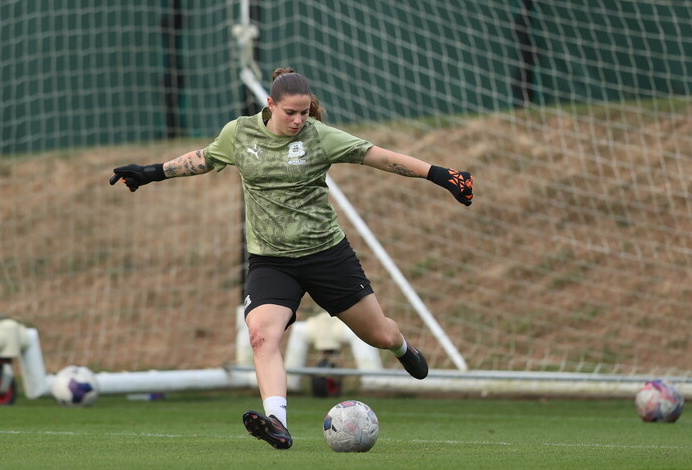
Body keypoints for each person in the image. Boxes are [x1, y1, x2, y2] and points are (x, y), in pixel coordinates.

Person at [110, 68, 473, 450]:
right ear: (270, 106)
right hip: (271, 262)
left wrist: (440, 175)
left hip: (327, 256)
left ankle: (403, 347)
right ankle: (277, 423)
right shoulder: (240, 133)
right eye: (290, 113)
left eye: (304, 112)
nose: (299, 120)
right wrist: (151, 173)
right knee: (261, 335)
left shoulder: (320, 137)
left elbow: (377, 157)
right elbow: (203, 158)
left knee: (378, 334)